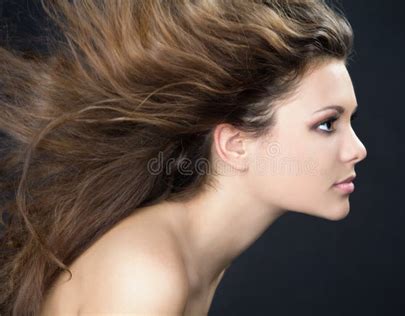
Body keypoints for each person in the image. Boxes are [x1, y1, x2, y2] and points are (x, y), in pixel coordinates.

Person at [0, 0, 367, 315]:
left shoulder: (187, 256)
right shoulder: (147, 272)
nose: (358, 149)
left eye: (350, 121)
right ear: (236, 145)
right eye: (327, 124)